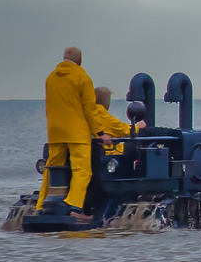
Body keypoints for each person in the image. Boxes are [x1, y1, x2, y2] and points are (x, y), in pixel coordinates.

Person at [36, 47, 97, 216]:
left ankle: (40, 206)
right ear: (79, 61)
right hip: (77, 133)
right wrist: (100, 132)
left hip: (55, 132)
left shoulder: (50, 79)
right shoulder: (82, 78)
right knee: (82, 171)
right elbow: (90, 109)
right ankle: (75, 208)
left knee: (52, 168)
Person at [90, 86, 136, 155]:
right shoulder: (103, 115)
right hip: (107, 152)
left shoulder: (88, 113)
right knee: (136, 144)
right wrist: (138, 127)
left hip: (91, 152)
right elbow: (125, 130)